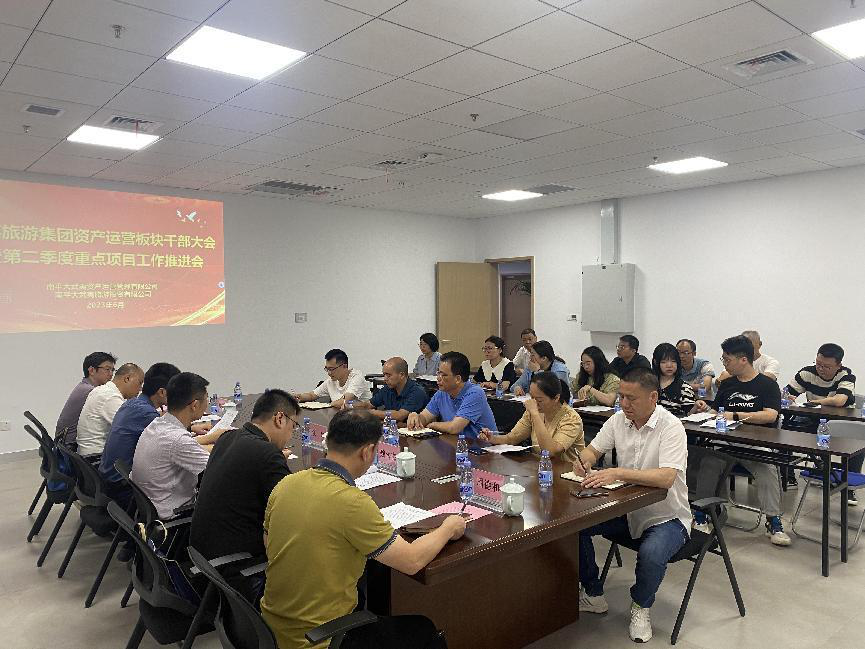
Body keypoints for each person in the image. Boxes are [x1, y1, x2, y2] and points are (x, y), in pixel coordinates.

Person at [262, 409, 464, 649]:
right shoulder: (352, 502)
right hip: (320, 639)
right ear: (367, 451)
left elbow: (269, 543)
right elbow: (412, 560)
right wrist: (448, 527)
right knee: (424, 629)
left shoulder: (286, 483)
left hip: (270, 627)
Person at [572, 368, 690, 644]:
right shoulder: (618, 420)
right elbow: (593, 450)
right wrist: (584, 460)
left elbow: (666, 477)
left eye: (631, 398)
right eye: (621, 397)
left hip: (667, 516)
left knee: (651, 553)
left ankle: (641, 606)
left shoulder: (671, 427)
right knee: (572, 527)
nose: (624, 404)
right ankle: (593, 592)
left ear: (653, 397)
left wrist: (618, 473)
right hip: (625, 511)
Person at [191, 389, 298, 604]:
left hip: (201, 556)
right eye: (293, 426)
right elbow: (292, 513)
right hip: (235, 570)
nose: (291, 434)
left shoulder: (227, 438)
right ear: (279, 418)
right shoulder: (267, 455)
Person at [692, 335, 789, 546]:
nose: (724, 363)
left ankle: (773, 521)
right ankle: (701, 515)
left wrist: (735, 415)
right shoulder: (727, 384)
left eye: (727, 359)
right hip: (726, 443)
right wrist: (705, 409)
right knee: (708, 462)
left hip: (755, 445)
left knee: (768, 469)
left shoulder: (767, 385)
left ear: (743, 359)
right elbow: (716, 412)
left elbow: (770, 415)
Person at [130, 372, 218, 519]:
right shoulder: (178, 440)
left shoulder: (158, 423)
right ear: (195, 405)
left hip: (152, 504)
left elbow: (184, 448)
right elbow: (219, 467)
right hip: (175, 514)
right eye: (207, 399)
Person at [99, 362, 181, 506]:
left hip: (110, 480)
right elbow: (177, 444)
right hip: (124, 489)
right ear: (162, 392)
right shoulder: (146, 413)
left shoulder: (131, 404)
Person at [786, 343, 859, 502]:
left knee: (857, 441)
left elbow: (839, 400)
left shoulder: (846, 375)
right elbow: (787, 392)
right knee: (786, 430)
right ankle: (788, 475)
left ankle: (849, 486)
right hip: (814, 419)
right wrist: (787, 397)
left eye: (826, 366)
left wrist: (812, 403)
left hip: (841, 421)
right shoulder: (807, 373)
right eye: (818, 363)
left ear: (838, 365)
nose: (820, 369)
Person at [479, 371, 585, 462]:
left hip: (567, 472)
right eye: (531, 397)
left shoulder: (571, 418)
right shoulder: (533, 410)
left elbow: (550, 452)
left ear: (556, 398)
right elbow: (512, 438)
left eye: (539, 400)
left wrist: (535, 414)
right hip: (541, 467)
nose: (533, 402)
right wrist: (492, 438)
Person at [406, 351, 496, 440]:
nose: (438, 378)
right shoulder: (442, 393)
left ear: (457, 379)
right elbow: (425, 417)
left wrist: (432, 425)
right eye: (438, 373)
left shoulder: (475, 393)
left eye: (443, 375)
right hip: (455, 443)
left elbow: (454, 427)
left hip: (482, 446)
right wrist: (416, 417)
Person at [76, 363, 144, 456]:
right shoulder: (110, 397)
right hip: (95, 457)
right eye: (140, 383)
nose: (140, 389)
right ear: (127, 378)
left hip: (88, 454)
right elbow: (132, 427)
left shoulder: (102, 390)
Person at [55, 352, 117, 445]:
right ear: (91, 370)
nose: (111, 374)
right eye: (107, 369)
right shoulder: (91, 391)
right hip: (71, 445)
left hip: (63, 443)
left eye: (113, 370)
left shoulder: (84, 386)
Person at [354, 357, 428, 422]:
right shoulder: (387, 389)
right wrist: (353, 406)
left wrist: (370, 412)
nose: (385, 379)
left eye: (388, 375)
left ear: (401, 375)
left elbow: (399, 415)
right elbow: (368, 405)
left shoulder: (417, 392)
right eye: (384, 375)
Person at [293, 349, 371, 408]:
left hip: (361, 418)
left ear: (344, 366)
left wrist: (329, 404)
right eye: (327, 369)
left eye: (331, 369)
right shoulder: (331, 380)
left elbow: (345, 401)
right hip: (340, 416)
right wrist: (299, 397)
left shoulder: (357, 377)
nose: (329, 373)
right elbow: (312, 395)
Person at [715, 330, 779, 386]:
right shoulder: (735, 360)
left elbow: (768, 380)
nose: (746, 347)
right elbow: (722, 378)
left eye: (750, 344)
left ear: (760, 344)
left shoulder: (771, 362)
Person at [652, 343, 696, 416]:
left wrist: (695, 408)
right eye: (664, 362)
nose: (669, 365)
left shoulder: (684, 388)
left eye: (673, 361)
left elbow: (690, 416)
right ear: (656, 362)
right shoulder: (648, 385)